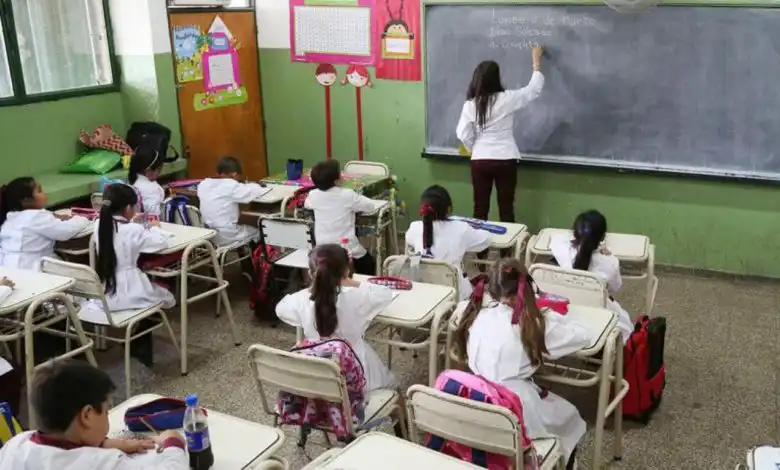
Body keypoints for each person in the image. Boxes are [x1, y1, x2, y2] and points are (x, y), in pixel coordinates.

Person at [454, 258, 589, 468]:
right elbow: (582, 336)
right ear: (526, 288)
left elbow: (460, 310)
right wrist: (552, 315)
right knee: (570, 416)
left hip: (476, 398)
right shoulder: (533, 324)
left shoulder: (473, 311)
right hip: (516, 408)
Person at [0, 360, 188, 470]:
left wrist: (106, 443)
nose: (107, 416)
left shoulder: (15, 445)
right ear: (87, 415)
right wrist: (173, 442)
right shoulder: (102, 463)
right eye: (106, 410)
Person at [276, 244, 395, 392]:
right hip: (355, 369)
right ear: (346, 271)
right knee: (391, 389)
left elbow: (280, 309)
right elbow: (384, 294)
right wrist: (352, 282)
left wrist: (313, 289)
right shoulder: (357, 297)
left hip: (316, 372)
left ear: (311, 274)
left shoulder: (301, 300)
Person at [88, 184, 175, 366]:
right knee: (168, 298)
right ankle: (139, 338)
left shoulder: (99, 225)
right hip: (131, 290)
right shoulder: (133, 230)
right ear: (128, 208)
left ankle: (139, 339)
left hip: (104, 294)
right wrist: (155, 227)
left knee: (157, 295)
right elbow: (160, 243)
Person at [456, 46, 545, 223]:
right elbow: (532, 90)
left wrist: (474, 148)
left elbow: (462, 133)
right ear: (496, 79)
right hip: (505, 158)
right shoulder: (507, 99)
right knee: (506, 209)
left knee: (480, 210)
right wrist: (536, 63)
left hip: (480, 160)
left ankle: (479, 242)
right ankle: (508, 242)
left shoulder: (471, 105)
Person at [550, 210, 633, 343]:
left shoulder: (560, 248)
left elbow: (559, 238)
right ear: (603, 237)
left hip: (562, 313)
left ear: (574, 233)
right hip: (595, 316)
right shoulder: (610, 262)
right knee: (626, 324)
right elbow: (615, 287)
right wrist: (606, 253)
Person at [405, 185, 491, 300]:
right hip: (455, 295)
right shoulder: (461, 229)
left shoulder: (415, 227)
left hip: (424, 293)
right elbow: (486, 240)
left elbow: (409, 239)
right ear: (449, 209)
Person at [304, 160, 381, 276]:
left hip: (322, 247)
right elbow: (370, 206)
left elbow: (307, 204)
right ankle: (361, 283)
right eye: (340, 173)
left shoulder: (313, 194)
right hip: (345, 247)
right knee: (368, 263)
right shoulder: (347, 195)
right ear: (336, 180)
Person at [0, 177, 90, 271]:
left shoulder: (11, 219)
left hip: (8, 268)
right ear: (26, 200)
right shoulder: (37, 217)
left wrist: (53, 216)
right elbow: (65, 231)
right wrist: (82, 218)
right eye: (39, 191)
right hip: (32, 269)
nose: (44, 193)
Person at [197, 156, 268, 246]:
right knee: (259, 231)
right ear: (234, 174)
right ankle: (257, 254)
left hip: (207, 234)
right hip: (225, 235)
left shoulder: (203, 184)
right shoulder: (231, 186)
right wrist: (256, 185)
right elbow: (253, 191)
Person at [128, 145, 166, 217]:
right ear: (148, 171)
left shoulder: (136, 182)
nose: (160, 173)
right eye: (159, 170)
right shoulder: (150, 189)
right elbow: (154, 214)